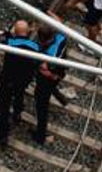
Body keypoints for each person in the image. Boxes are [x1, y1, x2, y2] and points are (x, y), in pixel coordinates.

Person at [0, 20, 40, 144]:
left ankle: (3, 135)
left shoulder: (9, 43)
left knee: (4, 107)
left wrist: (2, 32)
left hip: (8, 79)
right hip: (23, 79)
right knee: (19, 94)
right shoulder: (35, 46)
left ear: (15, 32)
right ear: (28, 32)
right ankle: (17, 113)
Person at [33, 16, 68, 145]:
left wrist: (42, 69)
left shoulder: (47, 55)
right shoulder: (61, 37)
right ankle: (61, 98)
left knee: (41, 104)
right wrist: (48, 13)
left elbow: (47, 72)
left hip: (48, 78)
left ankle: (40, 136)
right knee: (52, 85)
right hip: (61, 71)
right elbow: (59, 21)